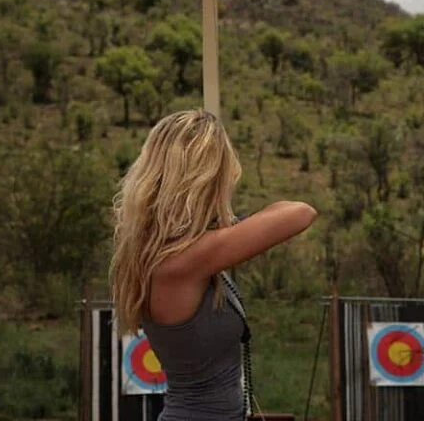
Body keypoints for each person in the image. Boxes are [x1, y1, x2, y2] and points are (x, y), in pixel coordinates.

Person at [108, 109, 318, 420]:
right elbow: (299, 212)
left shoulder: (170, 254)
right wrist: (228, 224)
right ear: (203, 181)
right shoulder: (182, 260)